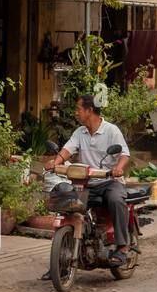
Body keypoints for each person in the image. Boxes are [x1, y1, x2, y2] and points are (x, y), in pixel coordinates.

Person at [40, 94, 132, 277]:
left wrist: (118, 169)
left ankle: (122, 247)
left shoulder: (111, 130)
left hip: (109, 182)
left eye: (78, 109)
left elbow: (124, 154)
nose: (76, 113)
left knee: (115, 199)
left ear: (89, 111)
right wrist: (55, 162)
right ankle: (60, 262)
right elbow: (67, 149)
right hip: (87, 183)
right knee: (68, 204)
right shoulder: (79, 132)